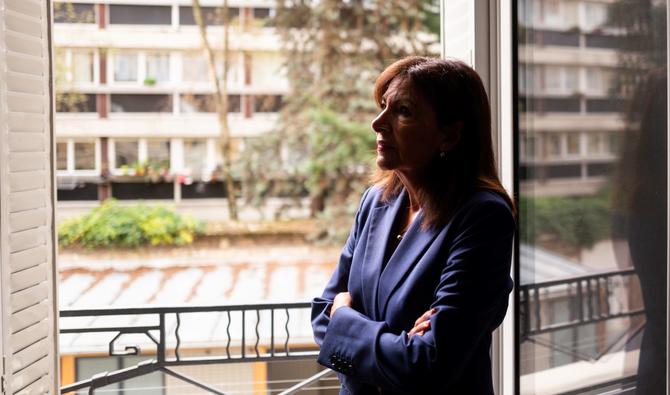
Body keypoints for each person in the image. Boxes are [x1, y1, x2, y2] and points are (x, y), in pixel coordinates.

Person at [311, 56, 516, 394]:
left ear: (449, 135)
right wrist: (398, 342)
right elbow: (322, 313)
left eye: (402, 111)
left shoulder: (483, 217)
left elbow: (430, 364)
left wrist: (345, 322)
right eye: (382, 106)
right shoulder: (376, 201)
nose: (378, 123)